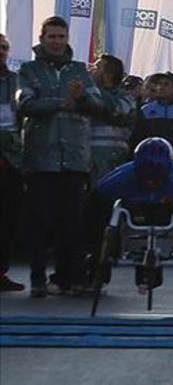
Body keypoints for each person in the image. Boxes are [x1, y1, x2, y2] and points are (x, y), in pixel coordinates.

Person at [15, 16, 103, 296]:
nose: (56, 42)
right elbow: (25, 103)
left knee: (73, 223)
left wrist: (83, 99)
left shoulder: (79, 71)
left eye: (61, 37)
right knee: (39, 222)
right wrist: (60, 102)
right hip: (41, 158)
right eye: (51, 36)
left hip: (75, 158)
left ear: (67, 39)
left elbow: (98, 104)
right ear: (42, 39)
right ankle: (38, 278)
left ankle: (70, 278)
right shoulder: (29, 70)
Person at [93, 137, 173, 293]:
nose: (151, 184)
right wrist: (96, 245)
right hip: (133, 215)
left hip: (168, 216)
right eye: (146, 179)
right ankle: (97, 264)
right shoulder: (122, 176)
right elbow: (94, 203)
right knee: (102, 212)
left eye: (156, 179)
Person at [87, 54, 137, 183]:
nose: (91, 70)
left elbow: (116, 110)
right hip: (86, 157)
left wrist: (92, 89)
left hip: (113, 158)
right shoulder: (87, 94)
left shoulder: (126, 98)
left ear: (108, 75)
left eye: (97, 67)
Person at [0, 34, 23, 292]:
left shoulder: (16, 81)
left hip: (11, 159)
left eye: (5, 48)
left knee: (7, 220)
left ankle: (1, 272)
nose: (1, 52)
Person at [132, 73, 173, 165]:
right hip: (150, 160)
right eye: (159, 84)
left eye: (166, 84)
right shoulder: (146, 110)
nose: (161, 87)